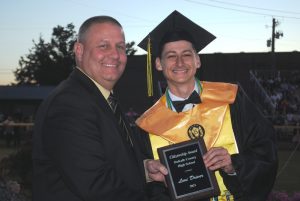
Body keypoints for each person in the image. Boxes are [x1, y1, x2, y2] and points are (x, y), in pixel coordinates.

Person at [136, 10, 278, 201]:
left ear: (197, 60)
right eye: (170, 56)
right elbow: (146, 188)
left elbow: (265, 152)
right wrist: (150, 175)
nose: (179, 62)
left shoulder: (231, 99)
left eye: (186, 54)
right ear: (159, 64)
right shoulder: (147, 124)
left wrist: (233, 165)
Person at [32, 15, 164, 201]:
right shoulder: (69, 104)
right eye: (103, 46)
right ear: (79, 50)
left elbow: (110, 159)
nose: (115, 55)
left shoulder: (103, 99)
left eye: (120, 47)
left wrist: (144, 170)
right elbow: (98, 188)